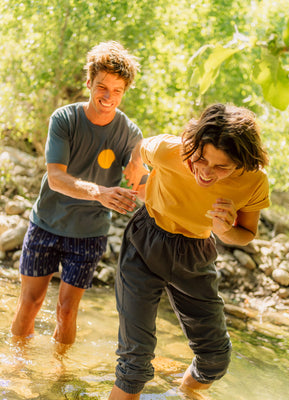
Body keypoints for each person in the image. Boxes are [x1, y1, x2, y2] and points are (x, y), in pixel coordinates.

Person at [108, 103, 270, 399]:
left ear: (241, 162)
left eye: (222, 167)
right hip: (146, 241)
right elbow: (140, 147)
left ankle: (183, 393)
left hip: (196, 254)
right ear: (192, 145)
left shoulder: (253, 181)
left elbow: (246, 233)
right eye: (200, 159)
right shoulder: (171, 150)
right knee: (135, 363)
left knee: (215, 359)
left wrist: (225, 231)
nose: (206, 173)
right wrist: (137, 172)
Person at [11, 41, 147, 346]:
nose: (108, 97)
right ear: (89, 82)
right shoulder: (64, 119)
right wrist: (101, 193)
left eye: (117, 91)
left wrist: (144, 162)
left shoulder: (131, 135)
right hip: (46, 224)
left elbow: (142, 186)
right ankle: (16, 376)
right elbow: (56, 178)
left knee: (67, 311)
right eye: (102, 87)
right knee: (30, 303)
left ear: (124, 92)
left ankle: (60, 380)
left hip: (89, 234)